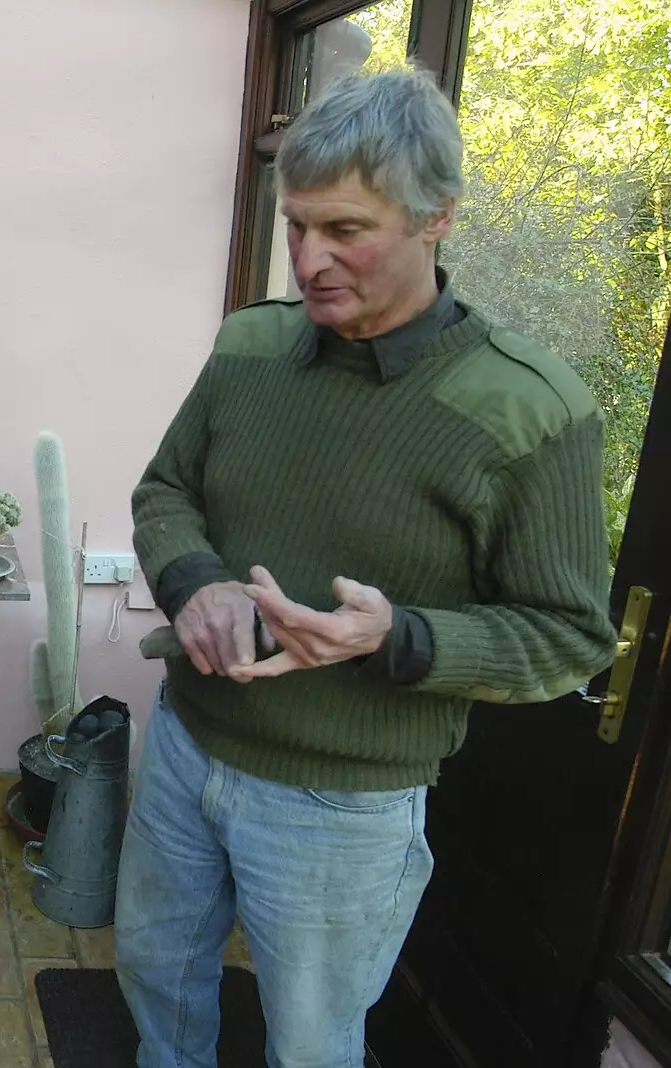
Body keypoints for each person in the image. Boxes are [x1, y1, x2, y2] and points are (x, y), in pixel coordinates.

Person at [118, 67, 616, 1067]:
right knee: (154, 981)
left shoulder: (527, 407)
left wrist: (398, 638)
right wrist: (196, 582)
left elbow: (568, 639)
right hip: (186, 747)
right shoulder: (251, 345)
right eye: (295, 226)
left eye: (344, 230)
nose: (308, 259)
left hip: (342, 807)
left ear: (437, 219)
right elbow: (164, 490)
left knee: (308, 1044)